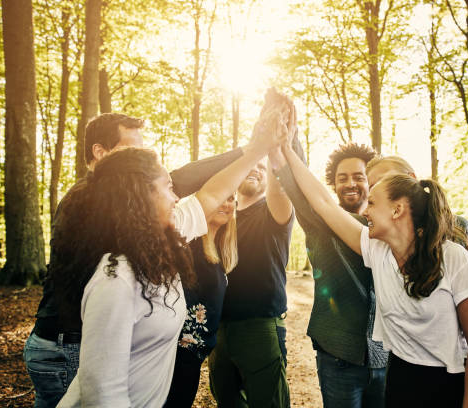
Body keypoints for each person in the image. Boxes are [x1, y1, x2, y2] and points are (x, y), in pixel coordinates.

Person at [23, 112, 264, 407]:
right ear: (101, 153)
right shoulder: (89, 213)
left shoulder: (142, 232)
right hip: (66, 344)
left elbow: (205, 198)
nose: (174, 195)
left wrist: (254, 150)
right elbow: (104, 393)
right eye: (131, 149)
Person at [281, 142, 468, 407]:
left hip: (447, 382)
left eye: (372, 203)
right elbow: (323, 204)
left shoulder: (454, 258)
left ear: (397, 209)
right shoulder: (376, 251)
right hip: (400, 378)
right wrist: (288, 149)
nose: (365, 210)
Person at [365, 156, 468, 408]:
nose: (375, 189)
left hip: (461, 367)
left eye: (383, 181)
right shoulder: (381, 241)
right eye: (371, 186)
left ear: (410, 182)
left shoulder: (456, 231)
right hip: (408, 368)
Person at [273, 137, 387, 407]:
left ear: (371, 182)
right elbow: (297, 185)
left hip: (386, 357)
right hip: (338, 357)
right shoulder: (320, 220)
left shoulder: (390, 228)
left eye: (359, 177)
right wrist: (290, 137)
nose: (350, 184)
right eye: (342, 177)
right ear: (333, 185)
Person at [206, 91, 295, 408]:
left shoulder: (274, 213)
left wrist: (272, 150)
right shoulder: (219, 216)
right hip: (218, 328)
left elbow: (281, 188)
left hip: (259, 326)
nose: (256, 169)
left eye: (262, 167)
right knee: (227, 402)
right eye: (250, 165)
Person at [164, 194, 238, 407]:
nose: (225, 203)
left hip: (195, 357)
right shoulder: (189, 244)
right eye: (221, 196)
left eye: (231, 198)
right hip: (178, 355)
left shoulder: (219, 250)